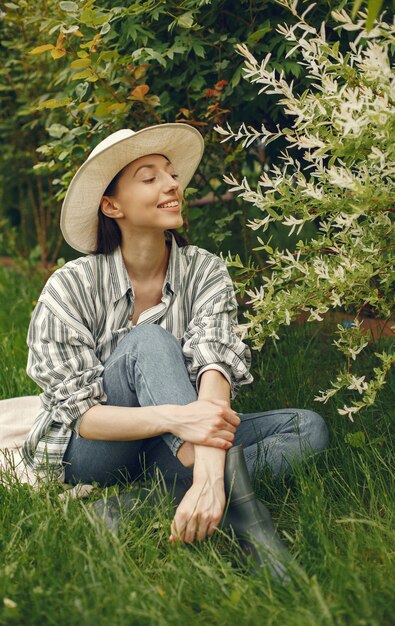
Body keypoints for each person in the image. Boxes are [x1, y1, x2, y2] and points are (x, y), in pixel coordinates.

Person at [21, 122, 330, 548]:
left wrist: (206, 472)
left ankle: (144, 501)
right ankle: (250, 523)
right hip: (95, 452)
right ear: (111, 206)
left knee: (307, 428)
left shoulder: (205, 270)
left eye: (171, 174)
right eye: (150, 178)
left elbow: (214, 364)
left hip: (177, 450)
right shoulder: (69, 287)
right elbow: (86, 420)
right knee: (148, 341)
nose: (172, 185)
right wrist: (175, 418)